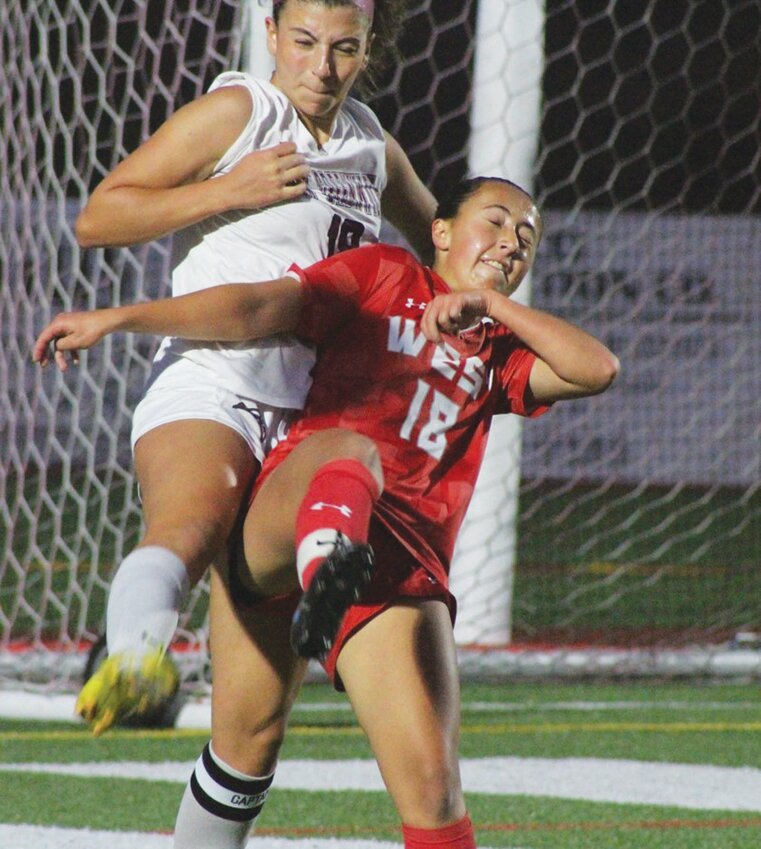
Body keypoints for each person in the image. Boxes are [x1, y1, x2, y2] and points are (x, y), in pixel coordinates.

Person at [36, 176, 620, 848]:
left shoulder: (502, 352)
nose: (511, 242)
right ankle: (325, 565)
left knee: (409, 786)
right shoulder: (383, 273)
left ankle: (333, 575)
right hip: (293, 516)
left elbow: (595, 368)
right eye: (494, 221)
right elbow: (258, 308)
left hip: (396, 565)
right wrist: (120, 318)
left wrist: (487, 303)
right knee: (349, 448)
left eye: (526, 236)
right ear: (439, 230)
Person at [70, 0, 436, 735]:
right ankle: (135, 658)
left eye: (343, 49)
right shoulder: (240, 111)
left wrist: (484, 275)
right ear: (270, 34)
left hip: (311, 416)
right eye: (302, 42)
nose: (321, 66)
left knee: (253, 731)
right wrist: (225, 191)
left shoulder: (372, 146)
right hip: (214, 377)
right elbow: (99, 217)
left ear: (367, 52)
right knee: (192, 521)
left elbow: (442, 243)